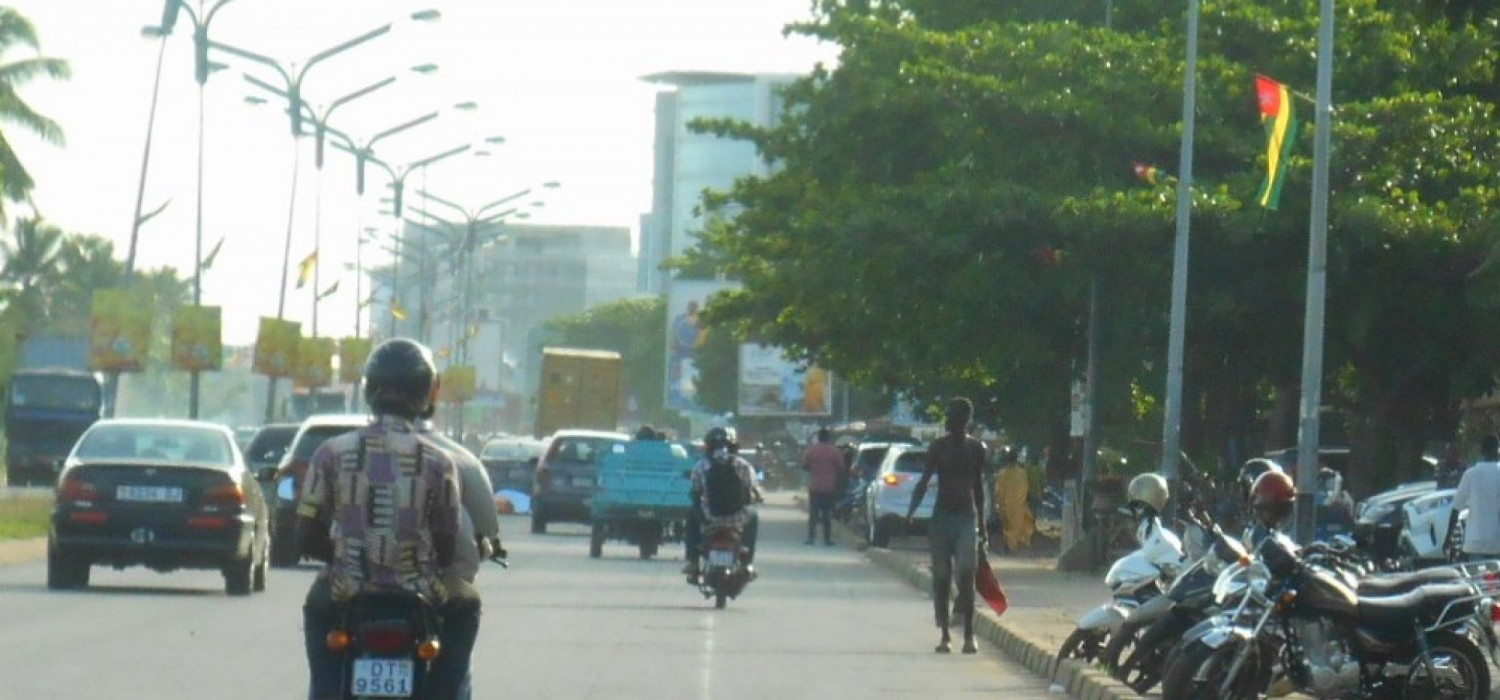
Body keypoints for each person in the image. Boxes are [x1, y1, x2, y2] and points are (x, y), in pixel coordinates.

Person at [296, 338, 480, 700]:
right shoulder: (439, 462)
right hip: (421, 592)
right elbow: (446, 545)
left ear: (368, 388)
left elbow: (304, 538)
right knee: (468, 604)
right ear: (426, 392)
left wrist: (349, 555)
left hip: (347, 590)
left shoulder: (330, 453)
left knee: (316, 608)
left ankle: (327, 692)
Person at [418, 419, 504, 700]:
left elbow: (308, 528)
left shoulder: (341, 452)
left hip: (357, 584)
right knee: (465, 607)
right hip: (434, 585)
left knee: (320, 610)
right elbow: (483, 527)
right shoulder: (451, 460)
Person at [906, 397, 988, 654]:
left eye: (957, 417)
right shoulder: (937, 448)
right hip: (941, 518)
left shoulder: (977, 449)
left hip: (966, 517)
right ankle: (944, 634)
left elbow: (978, 488)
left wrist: (983, 526)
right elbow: (924, 480)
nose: (952, 422)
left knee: (966, 574)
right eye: (950, 417)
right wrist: (911, 511)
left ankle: (968, 633)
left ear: (967, 421)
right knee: (941, 578)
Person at [682, 426, 762, 578]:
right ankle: (747, 563)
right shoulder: (743, 465)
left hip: (709, 518)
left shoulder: (700, 466)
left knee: (691, 515)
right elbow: (754, 490)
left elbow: (695, 492)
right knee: (754, 516)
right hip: (737, 519)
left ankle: (693, 561)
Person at [1449, 435, 1500, 561]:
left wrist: (1448, 538)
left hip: (1474, 541)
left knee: (1475, 579)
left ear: (1482, 452)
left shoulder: (1470, 474)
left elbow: (1456, 509)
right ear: (1497, 450)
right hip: (1496, 541)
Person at [803, 428, 843, 545]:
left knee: (813, 514)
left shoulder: (811, 450)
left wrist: (814, 468)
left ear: (819, 437)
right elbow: (841, 468)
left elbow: (805, 466)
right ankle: (827, 539)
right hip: (829, 487)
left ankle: (811, 538)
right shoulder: (835, 451)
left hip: (814, 486)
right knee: (826, 514)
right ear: (829, 438)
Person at [993, 448, 1035, 553]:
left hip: (1006, 505)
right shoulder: (1022, 473)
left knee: (1007, 527)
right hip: (1019, 505)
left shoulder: (1002, 473)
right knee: (1018, 527)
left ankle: (1009, 546)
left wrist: (999, 503)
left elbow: (998, 491)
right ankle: (1014, 547)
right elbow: (1025, 488)